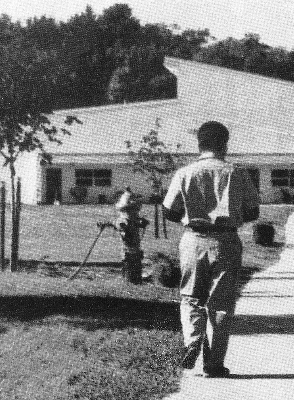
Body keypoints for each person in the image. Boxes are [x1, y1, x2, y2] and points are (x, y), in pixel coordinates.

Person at [162, 121, 260, 378]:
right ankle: (214, 363)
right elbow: (253, 212)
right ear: (224, 144)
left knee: (191, 296)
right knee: (221, 303)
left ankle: (193, 339)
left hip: (194, 239)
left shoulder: (184, 173)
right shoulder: (237, 173)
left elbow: (169, 211)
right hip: (226, 241)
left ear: (199, 144)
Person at [99, 187, 150, 284]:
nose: (133, 212)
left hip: (133, 249)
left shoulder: (131, 220)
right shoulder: (124, 221)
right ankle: (132, 280)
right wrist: (108, 223)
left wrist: (108, 224)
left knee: (133, 260)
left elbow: (116, 223)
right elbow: (118, 224)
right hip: (130, 249)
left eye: (135, 210)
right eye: (132, 209)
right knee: (130, 261)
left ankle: (133, 280)